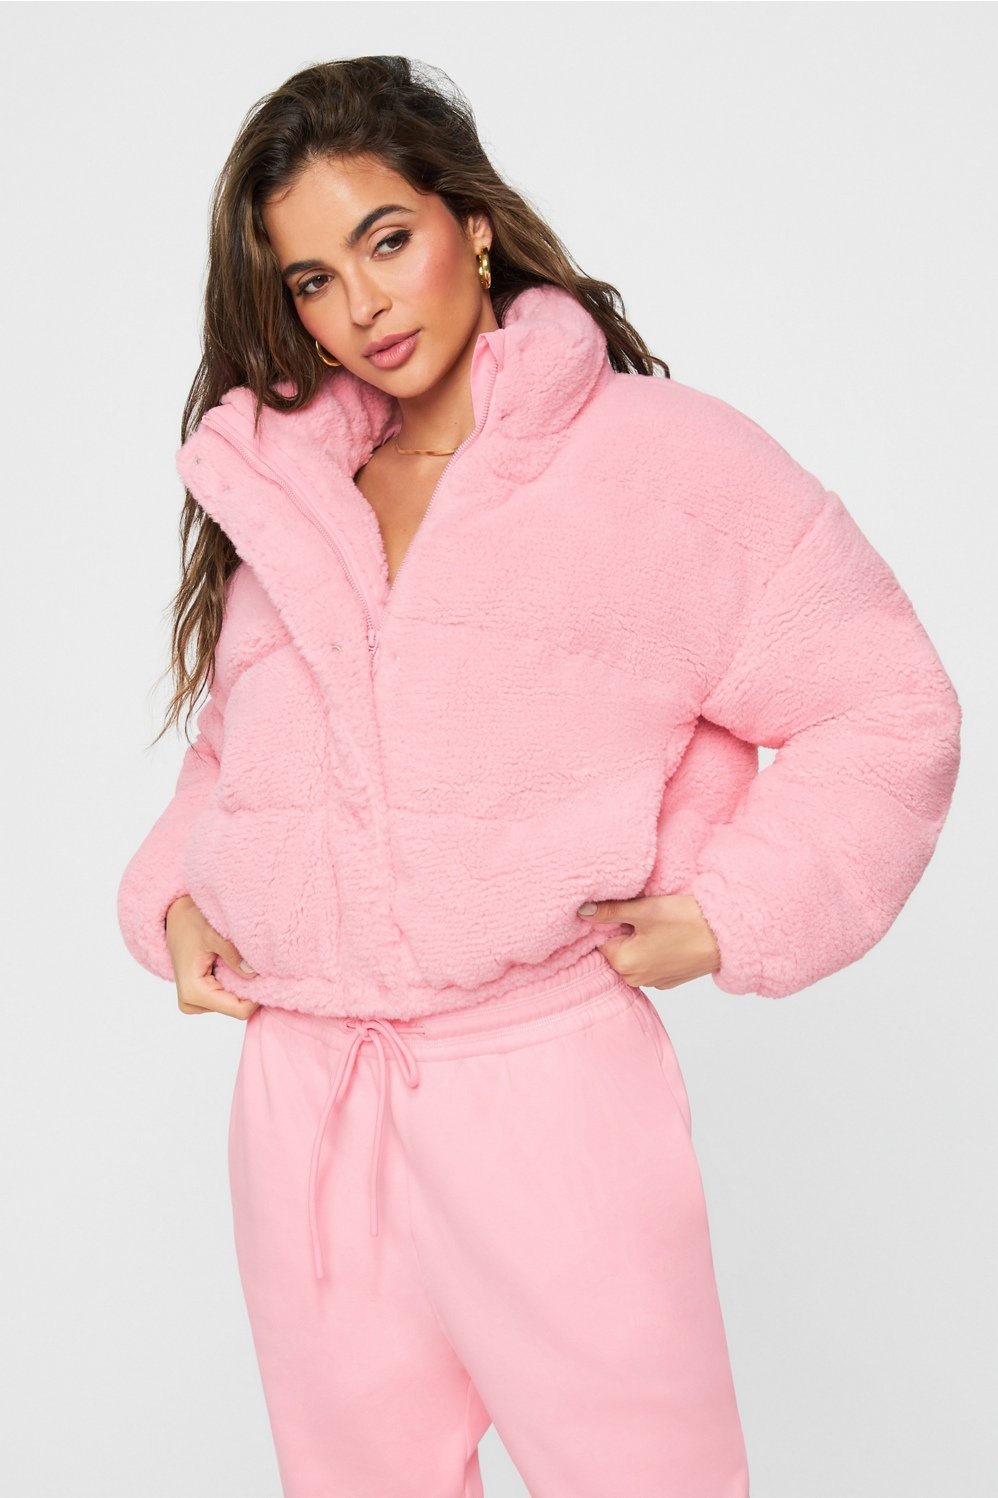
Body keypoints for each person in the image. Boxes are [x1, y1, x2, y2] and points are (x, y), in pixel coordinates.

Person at [116, 54, 962, 1498]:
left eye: (387, 239)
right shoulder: (299, 491)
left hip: (543, 1090)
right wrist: (178, 899)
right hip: (308, 1097)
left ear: (472, 223)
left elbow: (884, 700)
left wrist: (736, 911)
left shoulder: (660, 464)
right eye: (314, 279)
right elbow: (240, 750)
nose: (363, 304)